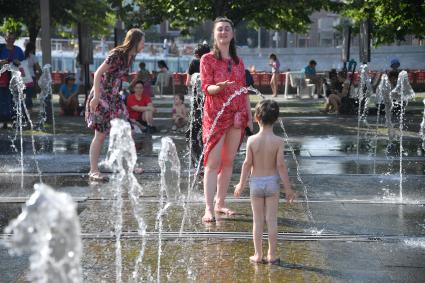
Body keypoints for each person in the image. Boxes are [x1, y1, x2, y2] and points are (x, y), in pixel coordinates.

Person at [200, 17, 253, 222]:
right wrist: (219, 87)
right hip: (215, 116)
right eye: (220, 29)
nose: (223, 32)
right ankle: (208, 208)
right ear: (214, 34)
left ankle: (220, 203)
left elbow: (244, 91)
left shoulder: (239, 62)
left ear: (232, 34)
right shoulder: (207, 59)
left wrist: (249, 116)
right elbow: (207, 88)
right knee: (212, 163)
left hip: (237, 114)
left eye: (227, 29)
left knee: (228, 161)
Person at [234, 99, 296, 264]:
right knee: (272, 220)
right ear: (276, 119)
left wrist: (241, 184)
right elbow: (281, 166)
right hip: (272, 184)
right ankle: (272, 255)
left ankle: (258, 255)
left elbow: (247, 164)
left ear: (256, 118)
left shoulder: (252, 140)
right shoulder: (278, 141)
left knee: (258, 220)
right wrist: (288, 189)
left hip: (255, 183)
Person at [85, 28, 145, 182]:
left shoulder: (130, 57)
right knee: (100, 134)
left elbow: (116, 77)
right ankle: (93, 170)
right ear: (136, 41)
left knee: (126, 129)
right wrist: (96, 97)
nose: (144, 44)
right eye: (143, 41)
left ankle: (128, 165)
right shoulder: (117, 55)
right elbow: (98, 73)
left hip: (114, 98)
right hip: (102, 97)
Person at [185, 43, 210, 166]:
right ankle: (206, 159)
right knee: (206, 132)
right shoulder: (213, 63)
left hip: (197, 102)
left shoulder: (194, 63)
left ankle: (198, 161)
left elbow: (187, 82)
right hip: (210, 103)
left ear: (196, 54)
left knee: (192, 134)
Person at [0, 31, 25, 129]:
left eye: (13, 39)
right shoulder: (1, 48)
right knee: (2, 99)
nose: (11, 41)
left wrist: (18, 63)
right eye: (9, 38)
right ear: (5, 38)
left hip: (15, 78)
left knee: (14, 99)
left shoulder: (18, 50)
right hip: (2, 77)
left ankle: (14, 120)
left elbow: (24, 65)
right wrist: (2, 62)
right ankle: (3, 121)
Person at [22, 42, 41, 110]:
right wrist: (40, 73)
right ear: (33, 49)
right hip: (30, 77)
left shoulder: (21, 55)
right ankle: (29, 109)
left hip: (22, 77)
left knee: (22, 93)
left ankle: (22, 108)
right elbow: (38, 68)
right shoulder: (33, 56)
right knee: (29, 95)